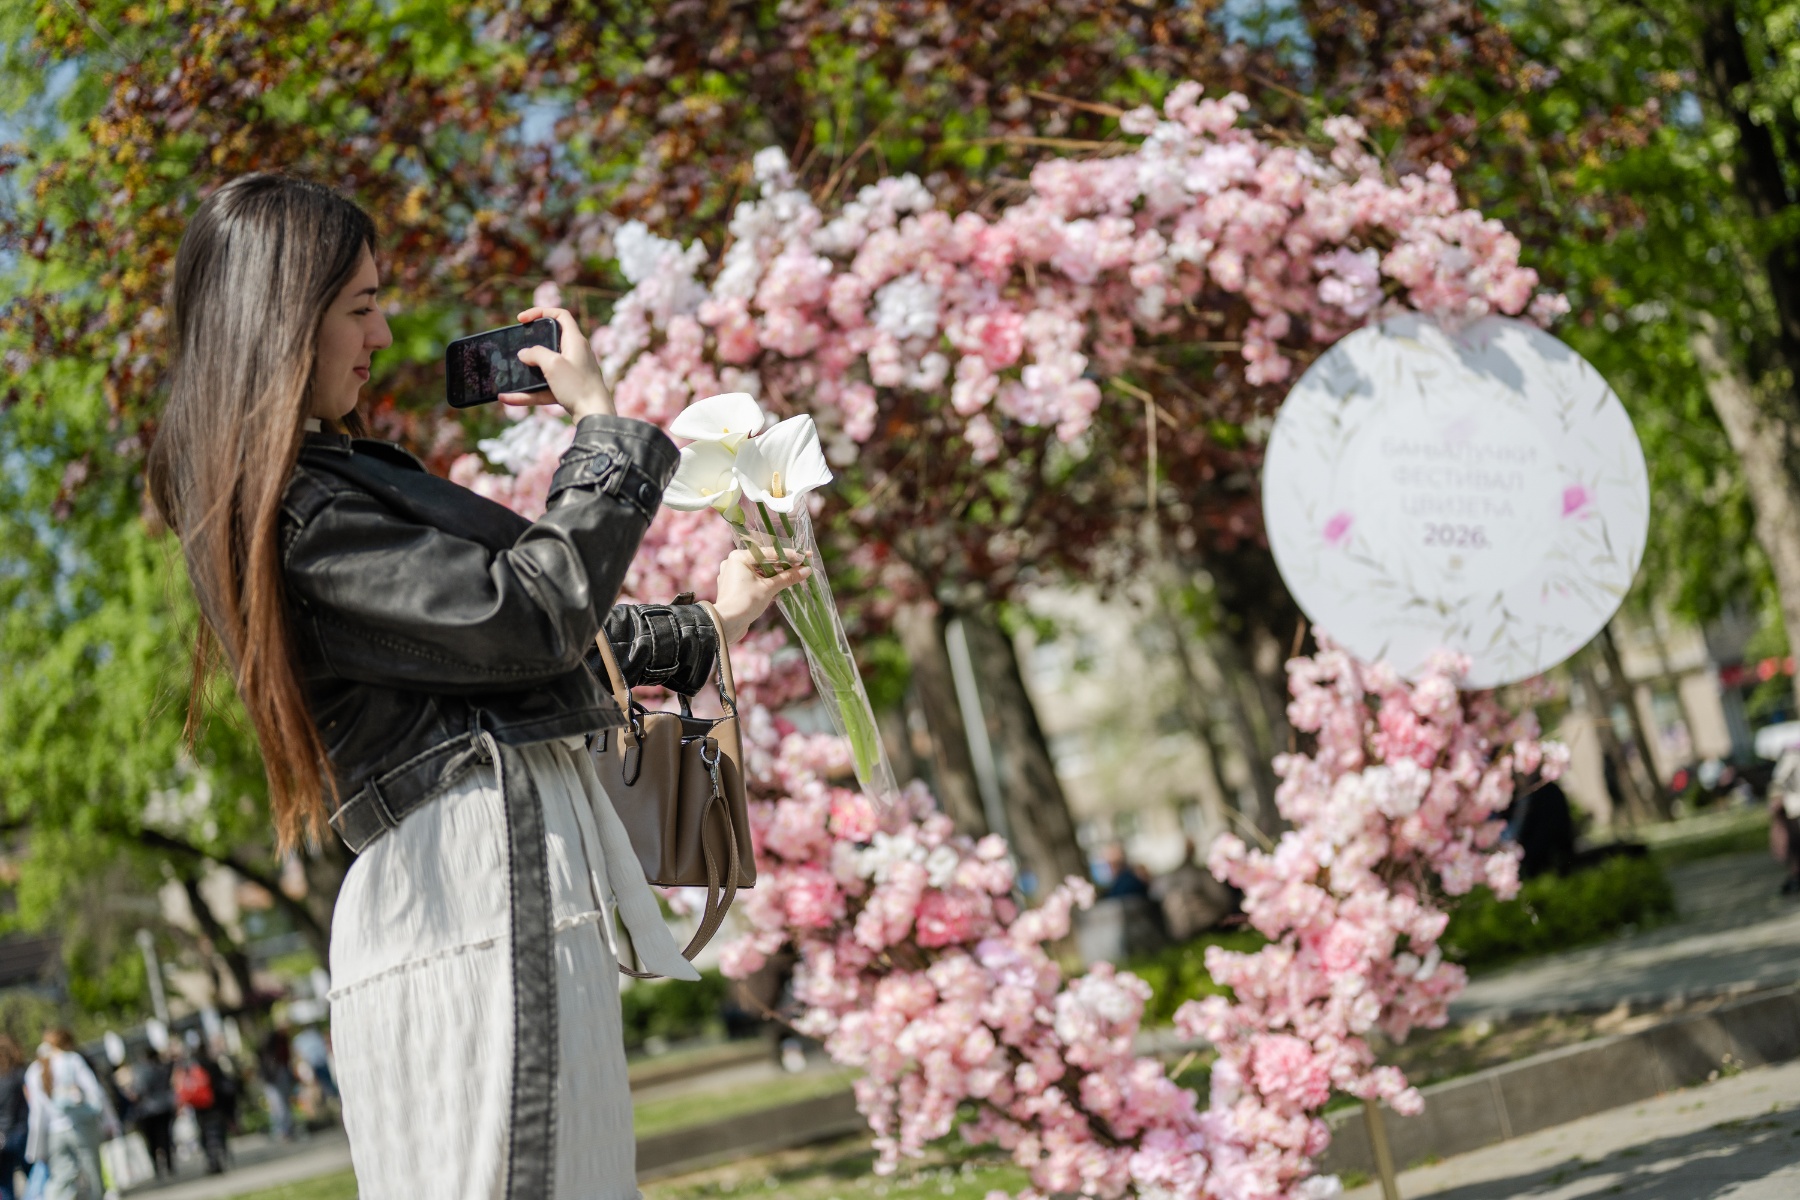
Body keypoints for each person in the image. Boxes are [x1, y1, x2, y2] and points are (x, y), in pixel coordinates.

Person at [145, 175, 806, 1200]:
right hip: (478, 889)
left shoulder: (325, 491)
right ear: (281, 319)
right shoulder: (307, 515)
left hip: (479, 886)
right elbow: (529, 616)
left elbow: (503, 647)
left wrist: (706, 626)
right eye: (360, 306)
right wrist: (600, 434)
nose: (384, 329)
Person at [23, 1030, 114, 1200]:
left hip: (54, 1133)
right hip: (82, 1126)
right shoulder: (72, 1059)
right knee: (94, 1177)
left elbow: (37, 1112)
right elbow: (96, 1093)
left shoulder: (33, 1071)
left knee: (61, 1180)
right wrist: (109, 1121)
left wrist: (36, 1146)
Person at [1149, 839, 1238, 942]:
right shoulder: (1199, 874)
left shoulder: (1162, 882)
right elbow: (1222, 899)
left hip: (1181, 933)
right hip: (1208, 925)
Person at [174, 1037, 228, 1175]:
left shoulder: (190, 1065)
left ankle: (211, 1160)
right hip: (213, 1104)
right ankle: (217, 1156)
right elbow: (221, 1083)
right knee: (214, 1131)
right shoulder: (211, 1063)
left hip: (198, 1104)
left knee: (204, 1131)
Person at [126, 1050, 176, 1179]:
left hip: (148, 1110)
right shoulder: (163, 1068)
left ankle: (157, 1166)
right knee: (165, 1136)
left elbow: (139, 1090)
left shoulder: (142, 1070)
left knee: (152, 1140)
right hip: (165, 1107)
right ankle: (169, 1164)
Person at [0, 1037, 28, 1200]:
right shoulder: (19, 1073)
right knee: (36, 1175)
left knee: (5, 1184)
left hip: (2, 1140)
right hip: (22, 1133)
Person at [1770, 746, 1800, 895]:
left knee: (1795, 842)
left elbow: (1778, 780)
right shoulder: (1792, 756)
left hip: (1794, 804)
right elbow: (1779, 781)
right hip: (1794, 805)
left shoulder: (1791, 757)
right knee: (1794, 842)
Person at [256, 1026, 295, 1141]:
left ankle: (283, 1130)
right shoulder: (270, 1053)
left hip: (276, 1077)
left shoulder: (271, 1052)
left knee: (279, 1105)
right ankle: (282, 1130)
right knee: (279, 1105)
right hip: (274, 1078)